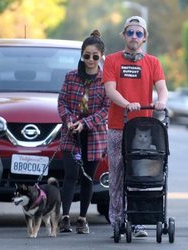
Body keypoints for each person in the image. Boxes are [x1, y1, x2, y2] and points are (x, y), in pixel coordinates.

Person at [102, 16, 168, 237]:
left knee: (140, 176)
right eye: (130, 32)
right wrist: (126, 104)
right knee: (117, 176)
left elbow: (162, 88)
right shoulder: (112, 61)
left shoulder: (152, 62)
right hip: (117, 126)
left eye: (138, 33)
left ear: (144, 38)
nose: (134, 37)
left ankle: (138, 221)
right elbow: (110, 90)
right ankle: (117, 221)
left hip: (143, 128)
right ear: (124, 35)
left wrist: (162, 101)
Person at [58, 30, 109, 234]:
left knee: (88, 178)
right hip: (71, 134)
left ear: (101, 57)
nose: (90, 60)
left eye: (95, 56)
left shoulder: (106, 80)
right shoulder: (70, 77)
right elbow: (62, 102)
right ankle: (64, 218)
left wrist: (85, 123)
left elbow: (106, 109)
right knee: (70, 175)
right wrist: (70, 121)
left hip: (94, 136)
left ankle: (82, 219)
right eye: (86, 55)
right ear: (81, 54)